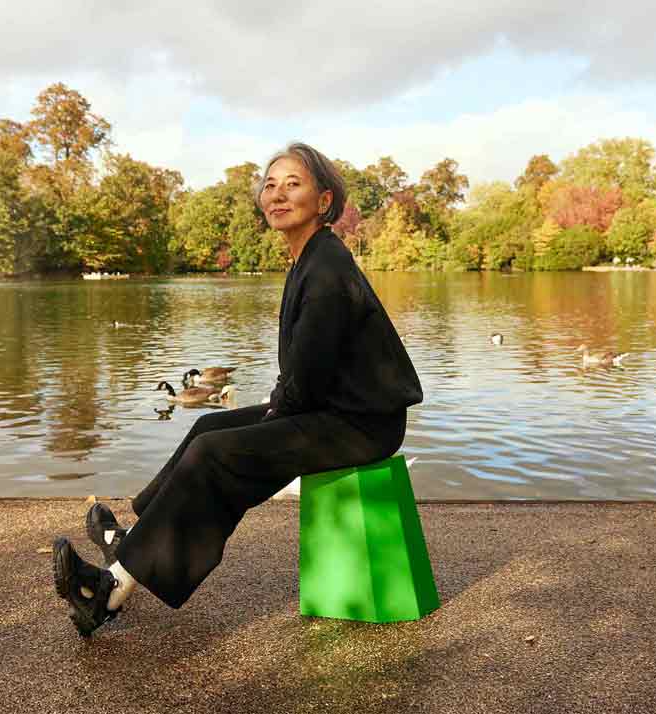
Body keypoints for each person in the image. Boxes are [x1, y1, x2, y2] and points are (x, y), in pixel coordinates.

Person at [52, 142, 423, 637]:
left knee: (216, 452)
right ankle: (134, 538)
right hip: (335, 409)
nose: (277, 194)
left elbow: (307, 379)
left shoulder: (327, 268)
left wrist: (274, 414)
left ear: (325, 200)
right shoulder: (309, 259)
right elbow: (304, 374)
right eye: (270, 185)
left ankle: (108, 591)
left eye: (294, 184)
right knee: (209, 422)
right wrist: (275, 408)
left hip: (362, 424)